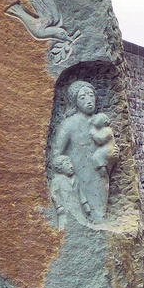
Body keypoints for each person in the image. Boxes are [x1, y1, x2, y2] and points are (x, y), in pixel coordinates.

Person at [49, 81, 118, 223]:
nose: (88, 100)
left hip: (99, 175)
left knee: (100, 215)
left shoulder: (100, 122)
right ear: (74, 102)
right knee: (83, 213)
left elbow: (108, 145)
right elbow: (56, 155)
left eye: (91, 95)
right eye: (82, 97)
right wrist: (67, 170)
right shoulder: (68, 124)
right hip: (78, 175)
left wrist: (111, 155)